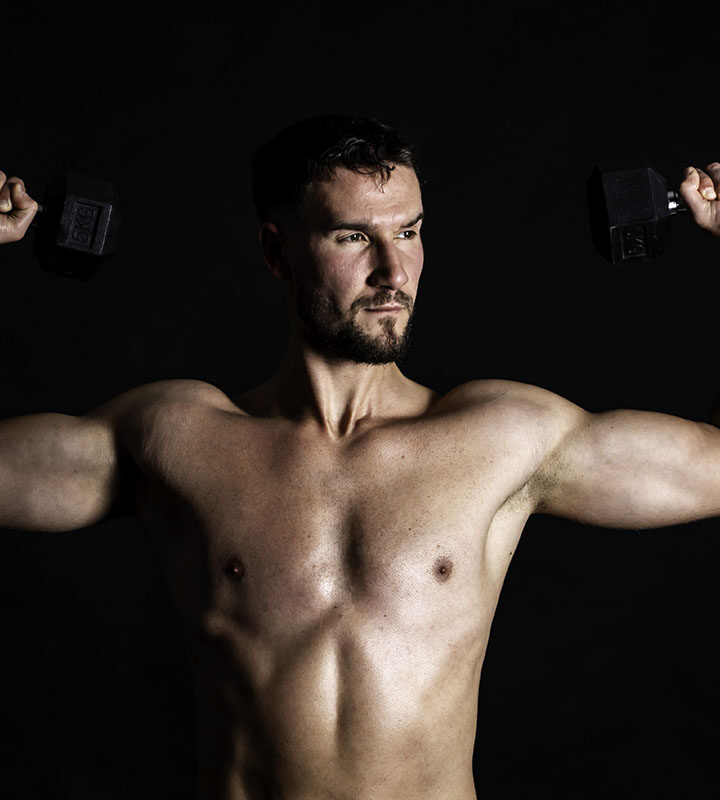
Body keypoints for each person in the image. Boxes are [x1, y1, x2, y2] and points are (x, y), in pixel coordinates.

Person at [1, 115, 719, 800]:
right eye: (352, 236)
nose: (392, 270)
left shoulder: (505, 437)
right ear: (277, 252)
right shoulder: (176, 438)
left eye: (409, 231)